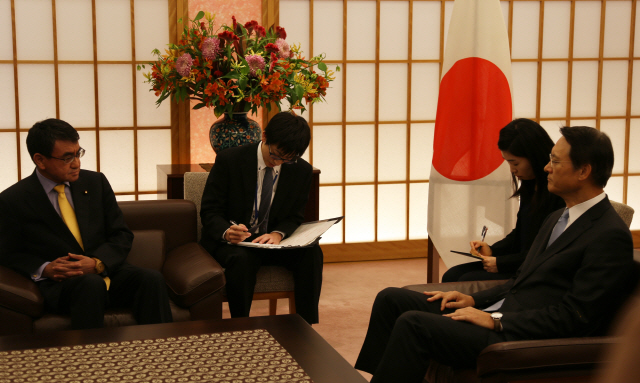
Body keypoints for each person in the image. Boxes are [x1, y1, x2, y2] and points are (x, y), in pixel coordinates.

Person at [355, 126, 634, 383]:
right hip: (500, 311)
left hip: (520, 332)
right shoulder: (559, 216)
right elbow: (521, 279)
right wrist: (474, 299)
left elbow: (576, 317)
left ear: (584, 171)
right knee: (392, 299)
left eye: (556, 161)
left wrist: (497, 320)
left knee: (414, 324)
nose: (547, 167)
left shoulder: (609, 235)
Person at [0, 119, 172, 330]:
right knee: (90, 285)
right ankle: (90, 359)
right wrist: (44, 269)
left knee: (151, 279)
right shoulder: (13, 200)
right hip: (63, 285)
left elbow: (121, 234)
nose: (76, 163)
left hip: (106, 273)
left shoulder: (95, 182)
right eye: (67, 157)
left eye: (78, 153)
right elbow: (8, 253)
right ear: (40, 160)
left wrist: (97, 263)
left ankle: (162, 353)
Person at [200, 111, 323, 324]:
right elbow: (210, 210)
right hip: (236, 242)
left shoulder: (301, 170)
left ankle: (306, 325)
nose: (279, 162)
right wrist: (227, 232)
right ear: (264, 136)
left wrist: (278, 233)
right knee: (242, 260)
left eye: (289, 158)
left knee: (312, 253)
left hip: (271, 242)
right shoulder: (230, 160)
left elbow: (295, 215)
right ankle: (241, 325)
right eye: (276, 155)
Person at [442, 119, 564, 282]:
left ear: (534, 156)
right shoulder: (530, 183)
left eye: (515, 163)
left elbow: (550, 251)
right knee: (452, 275)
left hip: (535, 269)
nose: (513, 170)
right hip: (519, 261)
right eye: (508, 162)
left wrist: (502, 263)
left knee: (466, 279)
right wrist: (493, 251)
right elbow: (520, 233)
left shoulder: (559, 192)